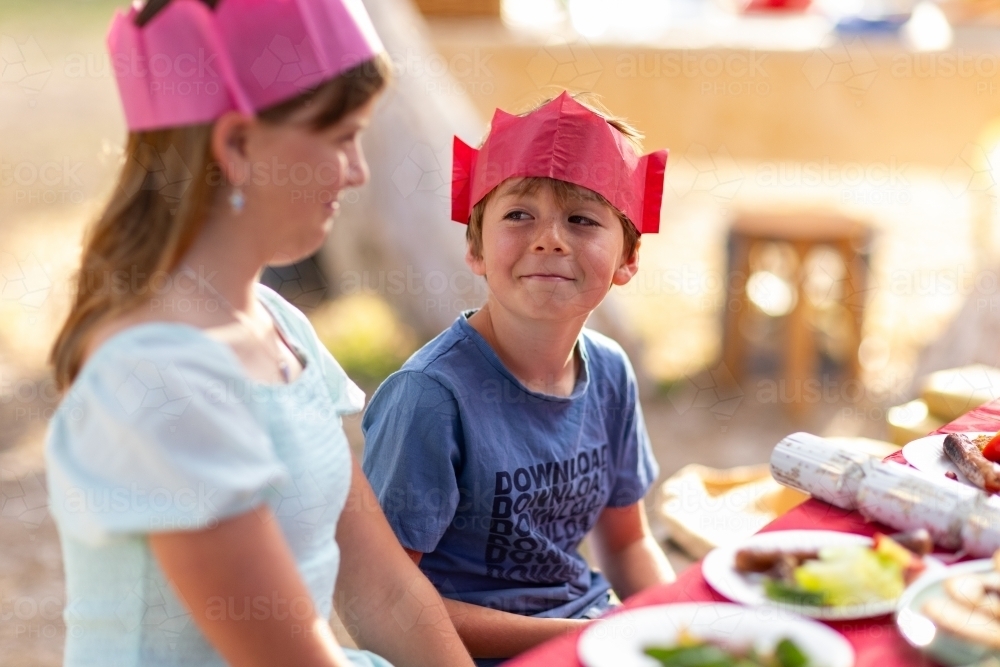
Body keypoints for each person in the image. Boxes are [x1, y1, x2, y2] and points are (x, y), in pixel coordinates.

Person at [44, 1, 474, 666]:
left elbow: (386, 592)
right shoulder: (158, 377)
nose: (358, 170)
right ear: (238, 146)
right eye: (340, 138)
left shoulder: (278, 322)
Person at [360, 92, 676, 665]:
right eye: (518, 214)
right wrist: (581, 638)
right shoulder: (431, 398)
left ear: (628, 259)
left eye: (582, 219)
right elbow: (384, 604)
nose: (550, 238)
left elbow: (628, 543)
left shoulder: (609, 373)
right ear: (476, 248)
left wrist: (671, 631)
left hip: (589, 633)